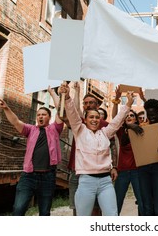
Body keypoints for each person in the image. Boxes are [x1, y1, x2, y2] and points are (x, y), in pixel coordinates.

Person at [58, 83, 135, 216]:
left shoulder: (105, 133)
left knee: (112, 215)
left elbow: (117, 120)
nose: (94, 120)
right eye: (91, 117)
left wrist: (128, 104)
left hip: (106, 182)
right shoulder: (80, 130)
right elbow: (72, 113)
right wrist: (67, 97)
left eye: (97, 117)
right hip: (86, 181)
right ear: (85, 120)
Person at [0, 99, 63, 216]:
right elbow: (15, 122)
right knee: (18, 209)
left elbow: (61, 112)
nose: (40, 117)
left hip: (48, 177)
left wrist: (60, 95)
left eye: (43, 114)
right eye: (38, 115)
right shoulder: (31, 129)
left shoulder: (55, 129)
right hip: (28, 176)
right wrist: (6, 108)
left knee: (44, 212)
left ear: (49, 117)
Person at [112, 85, 144, 215]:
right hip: (122, 171)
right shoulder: (120, 131)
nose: (129, 117)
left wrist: (142, 97)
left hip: (138, 171)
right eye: (127, 115)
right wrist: (117, 98)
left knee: (142, 202)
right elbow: (114, 118)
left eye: (132, 115)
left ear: (136, 118)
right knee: (116, 202)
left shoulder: (143, 131)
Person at [138, 98, 158, 216]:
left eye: (154, 114)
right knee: (147, 208)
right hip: (143, 169)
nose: (152, 117)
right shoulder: (142, 126)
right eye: (149, 115)